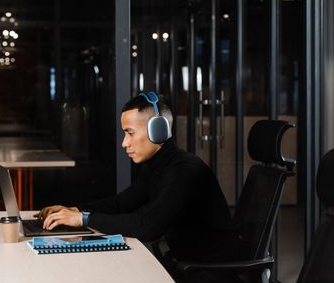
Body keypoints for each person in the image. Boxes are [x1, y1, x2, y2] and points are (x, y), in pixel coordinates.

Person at [35, 92, 232, 261]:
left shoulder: (185, 170)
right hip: (180, 261)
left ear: (158, 130)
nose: (124, 143)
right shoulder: (157, 165)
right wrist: (75, 211)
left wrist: (83, 219)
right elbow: (121, 203)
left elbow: (148, 226)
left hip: (206, 273)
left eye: (130, 133)